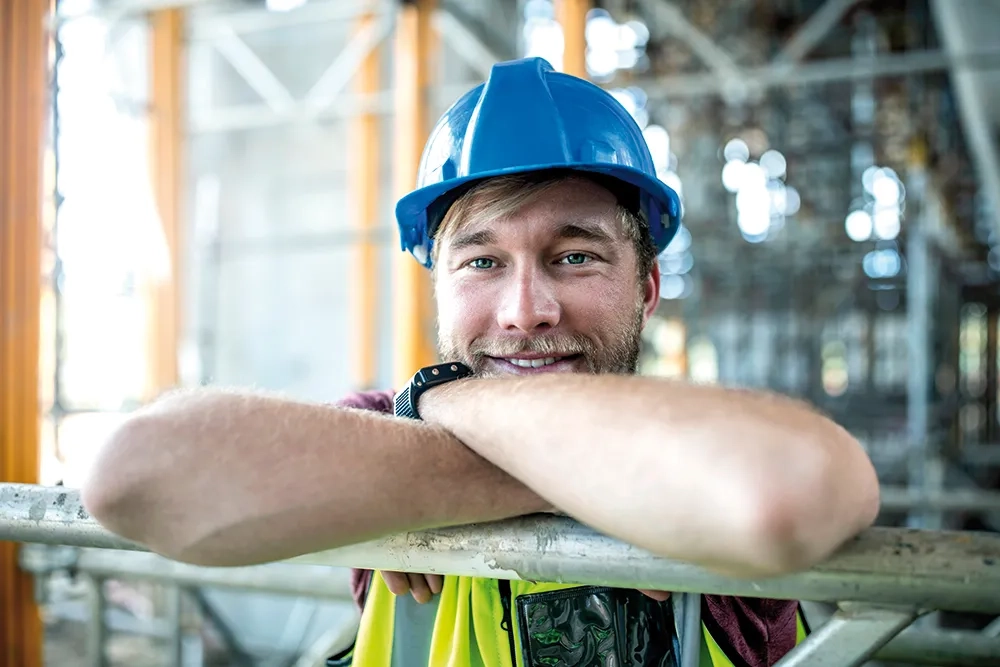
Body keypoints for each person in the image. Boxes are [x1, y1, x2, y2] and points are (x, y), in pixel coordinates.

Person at [82, 57, 880, 667]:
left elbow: (785, 491)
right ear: (439, 289)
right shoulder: (388, 426)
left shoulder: (705, 446)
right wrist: (459, 413)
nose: (525, 310)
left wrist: (439, 449)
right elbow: (136, 474)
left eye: (574, 256)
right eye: (482, 262)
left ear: (647, 288)